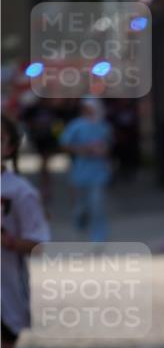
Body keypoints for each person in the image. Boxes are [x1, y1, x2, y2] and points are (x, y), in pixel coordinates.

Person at [1, 114, 50, 348]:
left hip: (6, 294)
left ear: (9, 146)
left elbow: (38, 243)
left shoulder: (19, 192)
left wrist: (10, 241)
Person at [59, 97, 113, 243]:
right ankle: (80, 224)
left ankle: (98, 237)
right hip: (80, 172)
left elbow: (109, 146)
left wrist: (102, 151)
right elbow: (64, 144)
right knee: (81, 206)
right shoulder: (76, 125)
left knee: (97, 205)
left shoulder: (103, 125)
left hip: (99, 172)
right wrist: (82, 149)